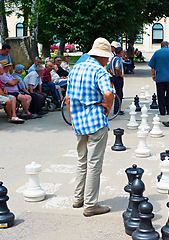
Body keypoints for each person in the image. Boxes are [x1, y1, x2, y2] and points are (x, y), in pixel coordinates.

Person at [66, 37, 114, 217]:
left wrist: (72, 121)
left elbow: (68, 99)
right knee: (94, 164)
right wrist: (108, 106)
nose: (108, 60)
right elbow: (108, 92)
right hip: (95, 121)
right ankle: (91, 204)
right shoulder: (99, 71)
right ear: (102, 57)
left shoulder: (75, 69)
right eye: (107, 57)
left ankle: (78, 198)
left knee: (81, 161)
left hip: (78, 122)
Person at [148, 41, 169, 115]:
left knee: (160, 95)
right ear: (167, 46)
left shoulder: (157, 53)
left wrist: (153, 75)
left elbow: (152, 66)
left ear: (161, 46)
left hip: (160, 77)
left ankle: (162, 111)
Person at [108, 47, 125, 115]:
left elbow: (108, 67)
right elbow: (117, 67)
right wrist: (120, 74)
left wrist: (112, 73)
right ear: (120, 52)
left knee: (116, 93)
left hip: (113, 77)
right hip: (118, 78)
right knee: (119, 93)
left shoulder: (112, 58)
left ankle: (116, 109)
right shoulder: (118, 59)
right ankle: (117, 109)